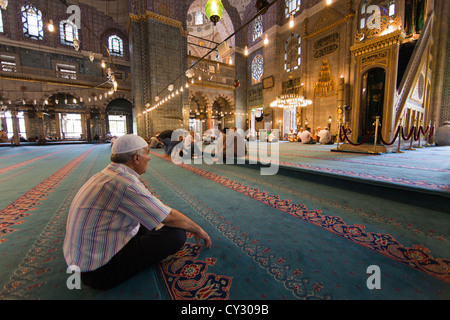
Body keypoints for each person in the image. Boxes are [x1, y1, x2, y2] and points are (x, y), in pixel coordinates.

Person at [63, 134, 211, 290]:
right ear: (136, 158)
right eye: (147, 153)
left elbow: (155, 210)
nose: (149, 158)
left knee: (146, 217)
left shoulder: (107, 173)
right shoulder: (126, 183)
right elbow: (170, 217)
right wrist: (198, 229)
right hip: (99, 271)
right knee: (177, 234)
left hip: (82, 258)